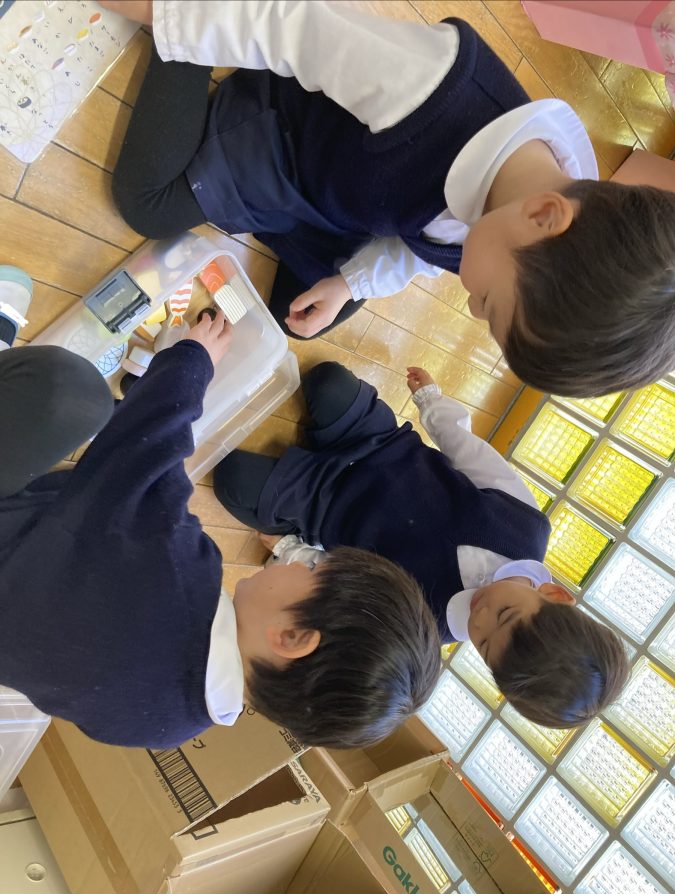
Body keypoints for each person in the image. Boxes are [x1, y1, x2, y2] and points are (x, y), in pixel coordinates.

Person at [101, 0, 675, 397]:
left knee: (297, 320)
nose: (473, 309)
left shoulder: (524, 214)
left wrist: (350, 284)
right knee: (149, 205)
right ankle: (185, 30)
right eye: (490, 304)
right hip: (286, 135)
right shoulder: (433, 88)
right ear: (545, 216)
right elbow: (290, 27)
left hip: (349, 202)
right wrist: (168, 15)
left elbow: (424, 248)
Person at [0, 311, 441, 749]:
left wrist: (193, 359)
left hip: (17, 529)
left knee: (72, 391)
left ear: (292, 638)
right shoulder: (170, 728)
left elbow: (145, 444)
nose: (299, 561)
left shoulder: (181, 572)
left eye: (312, 569)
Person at [213, 362, 630, 729]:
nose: (480, 616)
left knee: (233, 479)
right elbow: (471, 453)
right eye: (504, 614)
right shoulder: (526, 527)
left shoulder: (425, 627)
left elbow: (340, 585)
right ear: (554, 594)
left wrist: (289, 547)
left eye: (484, 645)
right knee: (328, 382)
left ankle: (293, 487)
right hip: (380, 445)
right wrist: (431, 400)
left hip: (323, 507)